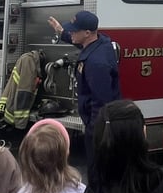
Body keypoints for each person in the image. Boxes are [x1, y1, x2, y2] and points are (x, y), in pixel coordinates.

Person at [47, 10, 119, 166]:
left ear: (87, 33)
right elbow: (77, 40)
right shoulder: (99, 43)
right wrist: (61, 31)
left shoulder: (96, 64)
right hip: (99, 125)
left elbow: (101, 102)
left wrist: (94, 132)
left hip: (97, 129)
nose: (71, 32)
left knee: (97, 169)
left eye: (74, 30)